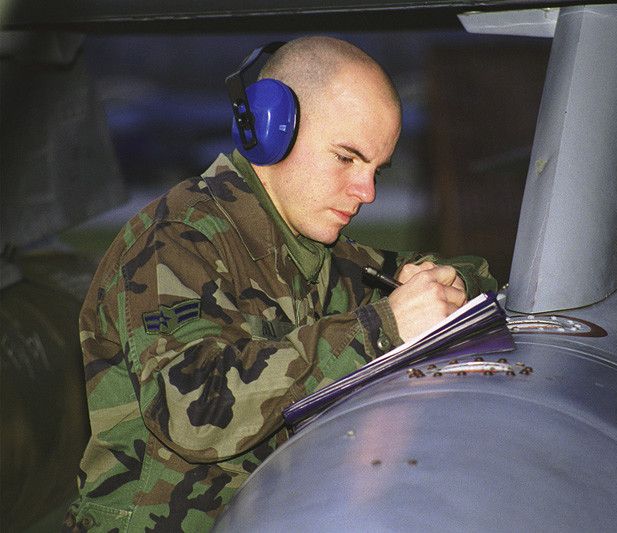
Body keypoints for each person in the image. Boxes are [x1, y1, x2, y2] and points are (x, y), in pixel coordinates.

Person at [64, 36, 495, 531]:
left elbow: (462, 272)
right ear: (270, 130)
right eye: (346, 158)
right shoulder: (176, 241)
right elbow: (195, 409)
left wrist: (446, 286)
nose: (368, 192)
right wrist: (380, 328)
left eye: (376, 169)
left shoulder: (311, 251)